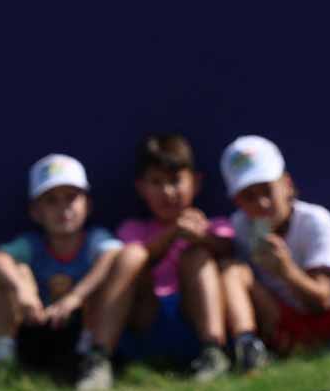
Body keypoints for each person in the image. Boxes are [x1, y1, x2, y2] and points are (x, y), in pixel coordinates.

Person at [216, 135, 330, 363]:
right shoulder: (239, 225)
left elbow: (321, 303)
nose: (262, 204)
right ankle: (248, 349)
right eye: (249, 197)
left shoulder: (315, 220)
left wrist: (286, 271)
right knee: (231, 269)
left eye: (267, 190)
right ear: (237, 202)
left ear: (287, 184)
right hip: (288, 328)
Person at [83, 135, 235, 384]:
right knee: (132, 254)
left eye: (175, 181)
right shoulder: (131, 229)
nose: (167, 192)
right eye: (156, 182)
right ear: (142, 188)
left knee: (197, 255)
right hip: (146, 322)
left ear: (195, 183)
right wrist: (174, 231)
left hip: (193, 324)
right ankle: (99, 359)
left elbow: (229, 250)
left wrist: (203, 239)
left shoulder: (215, 225)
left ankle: (213, 353)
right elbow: (137, 258)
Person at [0, 154, 124, 389]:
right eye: (51, 200)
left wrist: (75, 297)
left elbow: (113, 256)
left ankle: (90, 360)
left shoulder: (96, 240)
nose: (63, 208)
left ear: (87, 205)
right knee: (14, 273)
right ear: (35, 212)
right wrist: (23, 291)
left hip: (82, 334)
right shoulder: (31, 244)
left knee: (103, 278)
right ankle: (2, 363)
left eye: (71, 198)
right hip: (36, 327)